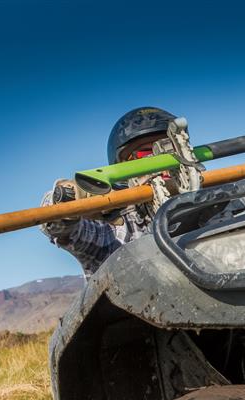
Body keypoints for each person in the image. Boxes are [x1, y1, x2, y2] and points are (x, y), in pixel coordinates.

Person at [41, 107, 177, 276]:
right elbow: (58, 228)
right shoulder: (114, 230)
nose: (160, 164)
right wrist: (69, 196)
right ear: (123, 167)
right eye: (146, 155)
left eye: (168, 150)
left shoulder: (214, 202)